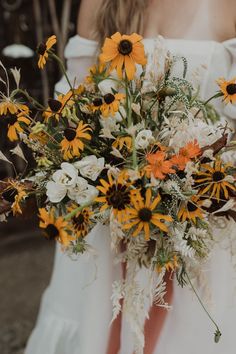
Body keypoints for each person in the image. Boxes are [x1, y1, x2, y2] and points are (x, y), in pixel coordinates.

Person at [25, 0, 236, 353]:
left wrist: (189, 180)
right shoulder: (102, 5)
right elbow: (75, 105)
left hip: (200, 223)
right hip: (108, 217)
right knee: (96, 327)